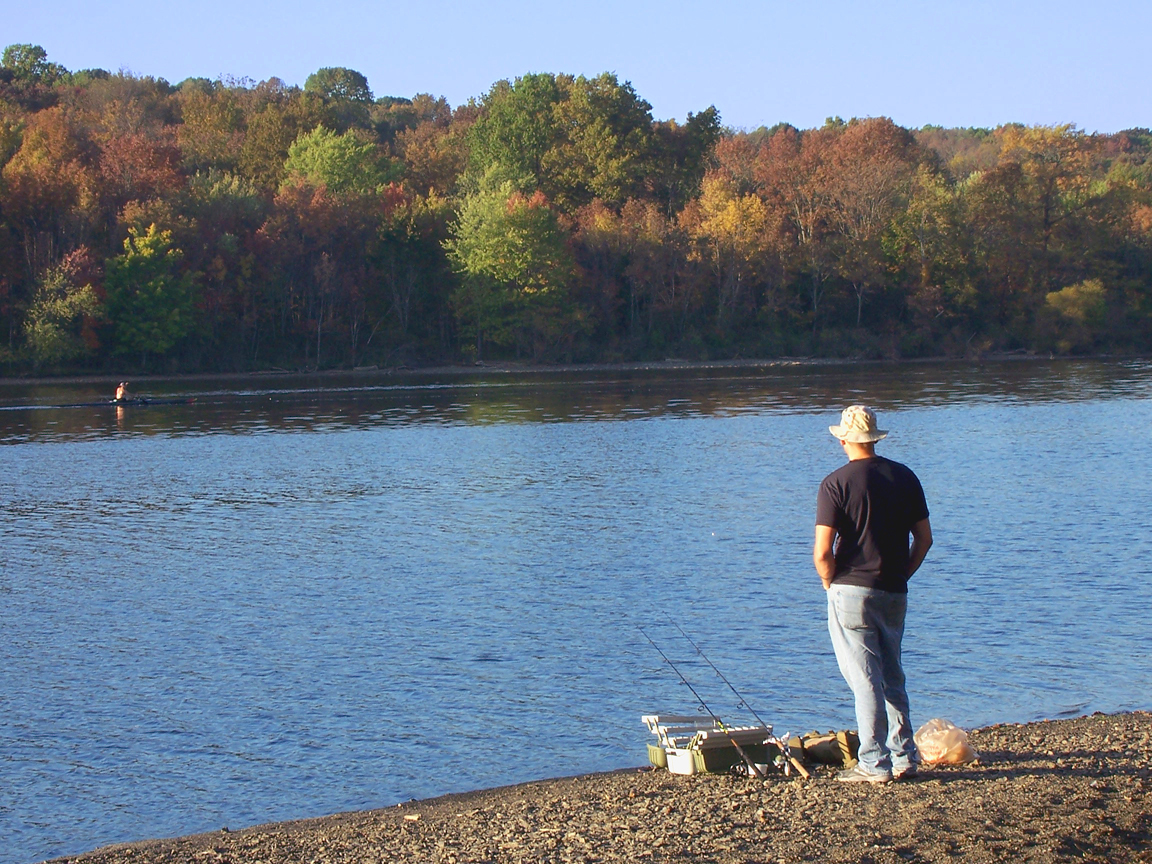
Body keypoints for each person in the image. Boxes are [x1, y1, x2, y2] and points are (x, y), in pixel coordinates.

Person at [814, 405, 932, 783]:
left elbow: (821, 552)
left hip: (850, 589)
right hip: (894, 588)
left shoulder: (835, 483)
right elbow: (924, 540)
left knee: (865, 678)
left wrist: (829, 582)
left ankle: (873, 762)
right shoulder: (905, 476)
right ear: (874, 438)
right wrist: (902, 574)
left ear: (844, 440)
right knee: (893, 674)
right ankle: (905, 757)